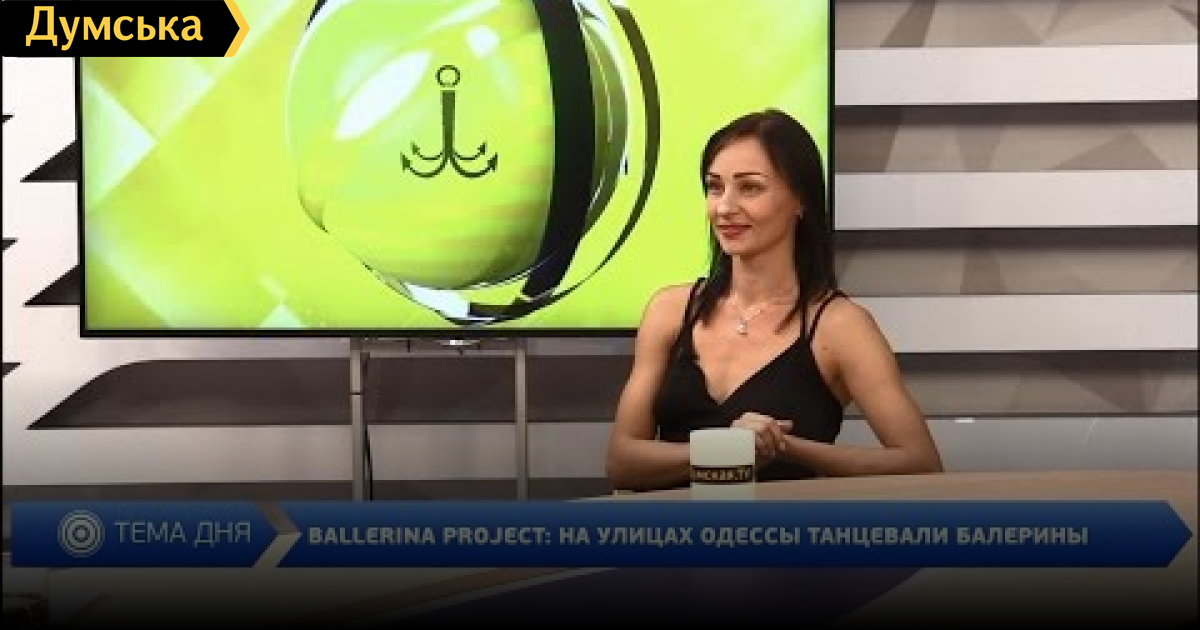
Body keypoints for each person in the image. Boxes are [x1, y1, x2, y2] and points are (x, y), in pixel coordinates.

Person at [605, 108, 943, 492]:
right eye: (715, 187)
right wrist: (729, 449)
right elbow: (622, 463)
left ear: (801, 200)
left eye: (750, 188)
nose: (724, 208)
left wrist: (784, 446)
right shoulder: (669, 310)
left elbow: (919, 462)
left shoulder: (839, 326)